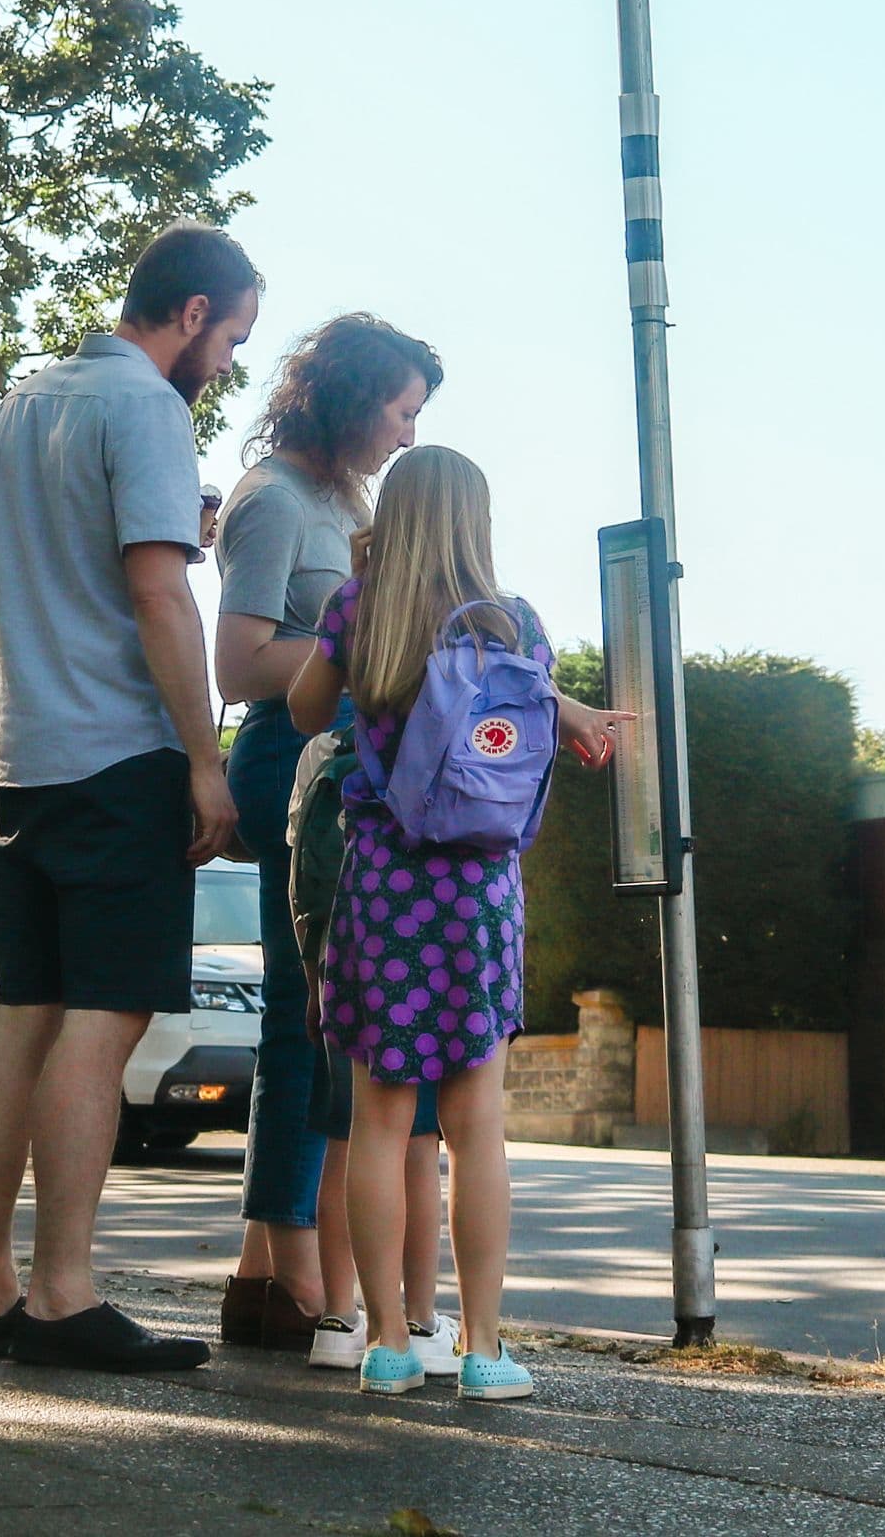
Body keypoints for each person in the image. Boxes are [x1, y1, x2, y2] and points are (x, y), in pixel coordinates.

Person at [0, 223, 258, 1373]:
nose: (227, 360)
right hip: (120, 755)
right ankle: (63, 1296)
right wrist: (206, 762)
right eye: (232, 336)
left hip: (22, 759)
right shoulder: (151, 410)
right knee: (107, 1012)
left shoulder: (23, 403)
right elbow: (159, 595)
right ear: (190, 312)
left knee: (24, 1015)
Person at [289, 446, 626, 1401]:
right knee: (478, 1130)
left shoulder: (360, 610)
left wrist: (349, 619)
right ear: (476, 522)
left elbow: (306, 711)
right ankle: (482, 1349)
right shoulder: (515, 623)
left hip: (383, 888)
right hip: (479, 892)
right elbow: (535, 715)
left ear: (392, 517)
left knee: (379, 1122)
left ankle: (389, 1344)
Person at [208, 315, 442, 1360]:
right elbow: (237, 663)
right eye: (401, 410)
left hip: (348, 767)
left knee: (313, 1024)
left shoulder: (347, 500)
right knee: (303, 1024)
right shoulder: (271, 500)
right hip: (294, 765)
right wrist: (357, 650)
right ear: (352, 399)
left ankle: (263, 1276)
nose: (407, 434)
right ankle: (295, 1268)